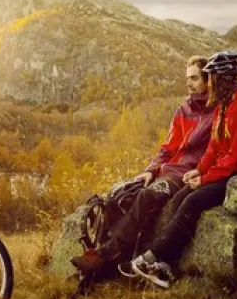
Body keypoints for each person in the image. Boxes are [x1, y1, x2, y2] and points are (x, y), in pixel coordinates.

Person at [126, 50, 237, 289]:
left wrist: (205, 179)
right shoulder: (225, 104)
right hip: (228, 171)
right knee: (182, 195)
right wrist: (199, 171)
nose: (208, 83)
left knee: (193, 201)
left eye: (210, 77)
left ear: (221, 79)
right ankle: (166, 265)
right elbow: (214, 148)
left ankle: (151, 258)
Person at [69, 55, 214, 283]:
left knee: (148, 196)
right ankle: (106, 269)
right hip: (168, 170)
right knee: (120, 195)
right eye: (187, 78)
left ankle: (101, 257)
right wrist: (151, 169)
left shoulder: (217, 113)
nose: (189, 83)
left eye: (195, 78)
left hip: (186, 175)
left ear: (208, 80)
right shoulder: (183, 110)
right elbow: (168, 147)